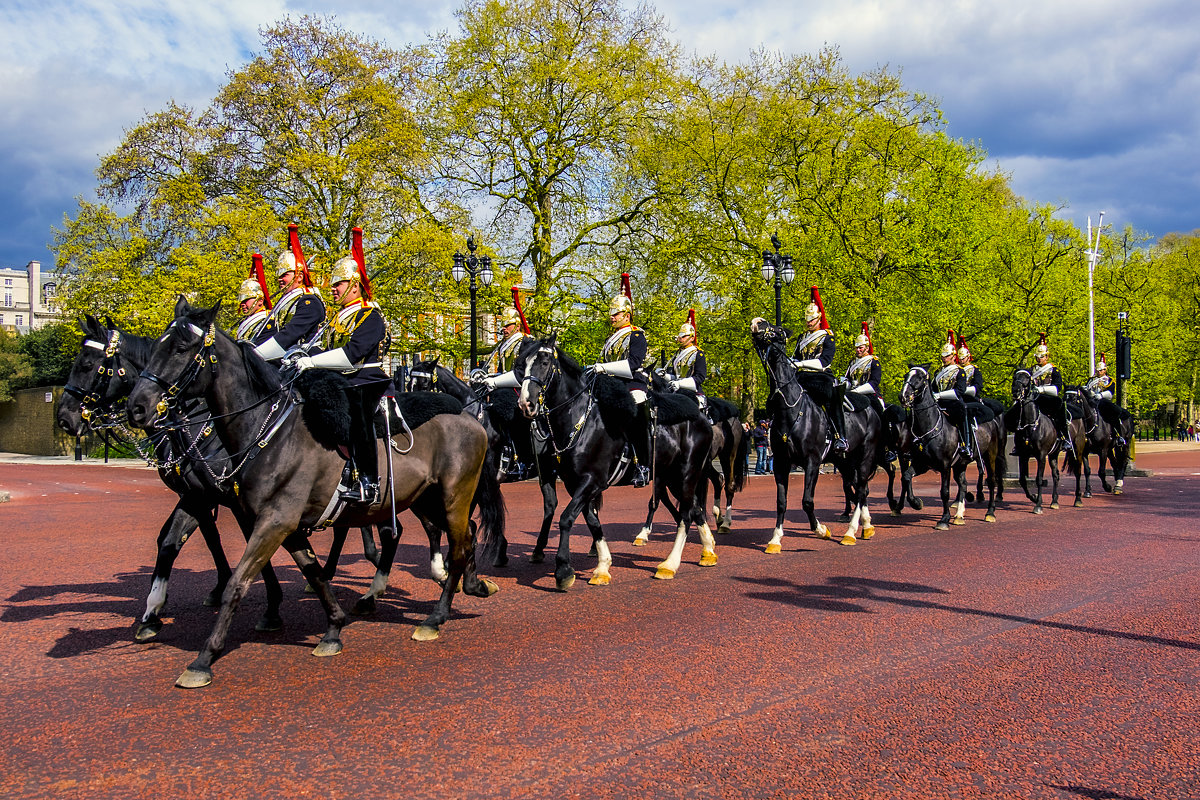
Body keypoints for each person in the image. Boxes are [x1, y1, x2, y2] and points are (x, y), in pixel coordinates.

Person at [295, 246, 391, 505]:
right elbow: (323, 349)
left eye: (339, 283)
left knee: (358, 414)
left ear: (355, 285)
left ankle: (369, 481)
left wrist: (312, 361)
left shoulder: (370, 316)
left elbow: (352, 354)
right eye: (333, 284)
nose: (333, 288)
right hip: (339, 380)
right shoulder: (335, 319)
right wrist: (301, 354)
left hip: (366, 380)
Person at [591, 290, 652, 487]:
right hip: (611, 384)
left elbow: (633, 363)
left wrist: (603, 368)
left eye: (616, 313)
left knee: (637, 402)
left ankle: (644, 464)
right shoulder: (611, 338)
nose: (612, 316)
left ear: (627, 315)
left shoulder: (636, 334)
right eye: (611, 313)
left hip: (632, 382)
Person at [790, 287, 847, 453]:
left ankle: (839, 436)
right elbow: (795, 357)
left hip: (820, 377)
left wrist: (800, 364)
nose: (808, 322)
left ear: (819, 318)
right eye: (807, 319)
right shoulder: (802, 337)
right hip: (801, 378)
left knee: (831, 400)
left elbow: (824, 362)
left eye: (812, 319)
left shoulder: (826, 336)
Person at [253, 247, 326, 362]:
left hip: (306, 359)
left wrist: (255, 356)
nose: (280, 279)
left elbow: (290, 334)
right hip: (287, 358)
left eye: (284, 275)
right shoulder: (288, 303)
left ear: (300, 277)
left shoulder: (309, 302)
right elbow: (272, 335)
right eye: (279, 275)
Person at [843, 323, 893, 461]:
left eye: (861, 348)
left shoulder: (874, 361)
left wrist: (856, 390)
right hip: (852, 395)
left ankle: (887, 447)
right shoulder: (852, 363)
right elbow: (847, 378)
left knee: (882, 415)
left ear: (866, 348)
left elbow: (874, 383)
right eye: (857, 348)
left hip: (870, 394)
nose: (858, 350)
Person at [932, 330, 972, 460]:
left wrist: (939, 395)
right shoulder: (938, 372)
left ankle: (965, 443)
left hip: (952, 402)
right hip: (938, 402)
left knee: (962, 410)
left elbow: (959, 391)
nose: (944, 358)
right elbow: (933, 388)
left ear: (953, 356)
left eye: (947, 355)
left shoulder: (959, 372)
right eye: (943, 355)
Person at [476, 306, 533, 392]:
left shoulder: (526, 342)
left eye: (507, 325)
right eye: (503, 326)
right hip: (507, 387)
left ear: (517, 326)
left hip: (521, 389)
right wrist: (488, 376)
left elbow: (522, 373)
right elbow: (502, 371)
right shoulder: (503, 345)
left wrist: (495, 381)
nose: (503, 328)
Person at [1029, 335, 1070, 449]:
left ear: (1047, 356)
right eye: (1037, 357)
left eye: (1041, 357)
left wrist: (1041, 389)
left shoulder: (1053, 369)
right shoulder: (1031, 370)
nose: (1039, 359)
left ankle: (1064, 436)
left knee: (1060, 407)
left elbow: (1057, 388)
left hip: (1048, 398)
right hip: (1033, 398)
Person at [665, 312, 707, 410]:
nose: (680, 339)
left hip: (693, 392)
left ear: (692, 338)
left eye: (683, 336)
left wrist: (680, 383)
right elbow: (678, 375)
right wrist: (666, 376)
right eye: (680, 336)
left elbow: (700, 377)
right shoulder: (677, 354)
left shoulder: (698, 354)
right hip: (677, 390)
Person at [1085, 355, 1126, 447]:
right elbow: (1087, 390)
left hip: (1103, 401)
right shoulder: (1091, 380)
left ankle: (1118, 435)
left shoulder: (1109, 380)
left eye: (1101, 370)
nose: (1099, 372)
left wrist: (1101, 395)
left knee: (1114, 413)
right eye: (1098, 370)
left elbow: (1111, 392)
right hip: (1092, 402)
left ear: (1105, 370)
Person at [234, 254, 275, 344]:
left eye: (246, 300)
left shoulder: (267, 320)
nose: (242, 304)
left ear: (260, 301)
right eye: (242, 300)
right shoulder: (245, 321)